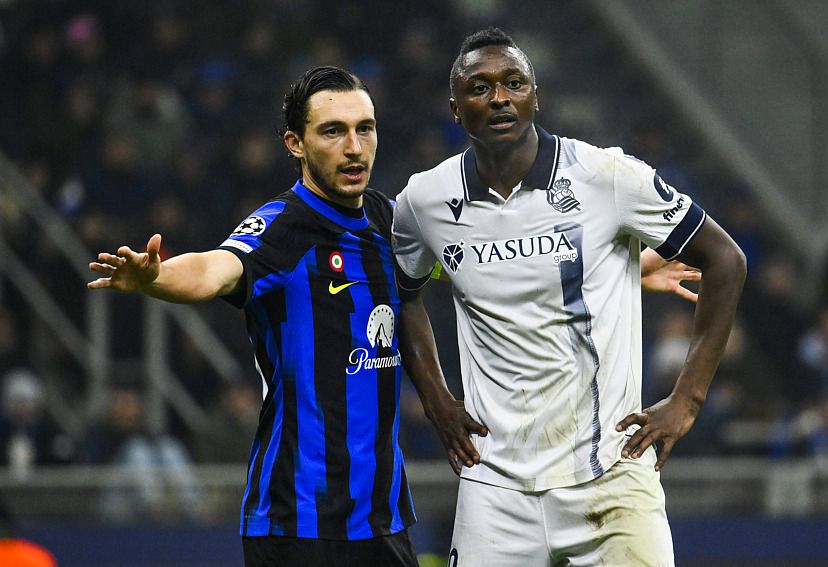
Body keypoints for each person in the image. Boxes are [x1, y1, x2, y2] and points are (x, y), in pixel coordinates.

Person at [88, 65, 484, 567]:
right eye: (333, 131)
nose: (355, 146)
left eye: (365, 128)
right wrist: (154, 277)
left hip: (382, 519)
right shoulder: (283, 228)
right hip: (297, 524)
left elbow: (435, 287)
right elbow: (214, 269)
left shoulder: (390, 221)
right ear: (296, 144)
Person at [391, 28, 747, 566]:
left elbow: (725, 260)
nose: (500, 98)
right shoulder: (424, 202)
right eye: (480, 87)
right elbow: (402, 291)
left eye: (514, 83)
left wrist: (687, 400)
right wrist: (436, 398)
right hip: (495, 485)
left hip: (610, 475)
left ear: (536, 96)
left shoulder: (606, 177)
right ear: (455, 108)